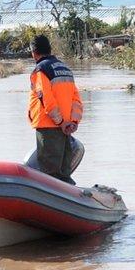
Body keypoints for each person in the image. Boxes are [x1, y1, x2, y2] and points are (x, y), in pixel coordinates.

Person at [28, 35, 83, 184]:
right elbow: (76, 100)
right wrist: (73, 122)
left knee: (49, 175)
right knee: (64, 173)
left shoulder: (41, 70)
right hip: (66, 129)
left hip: (49, 127)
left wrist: (60, 122)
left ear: (34, 52)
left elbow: (46, 98)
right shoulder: (65, 69)